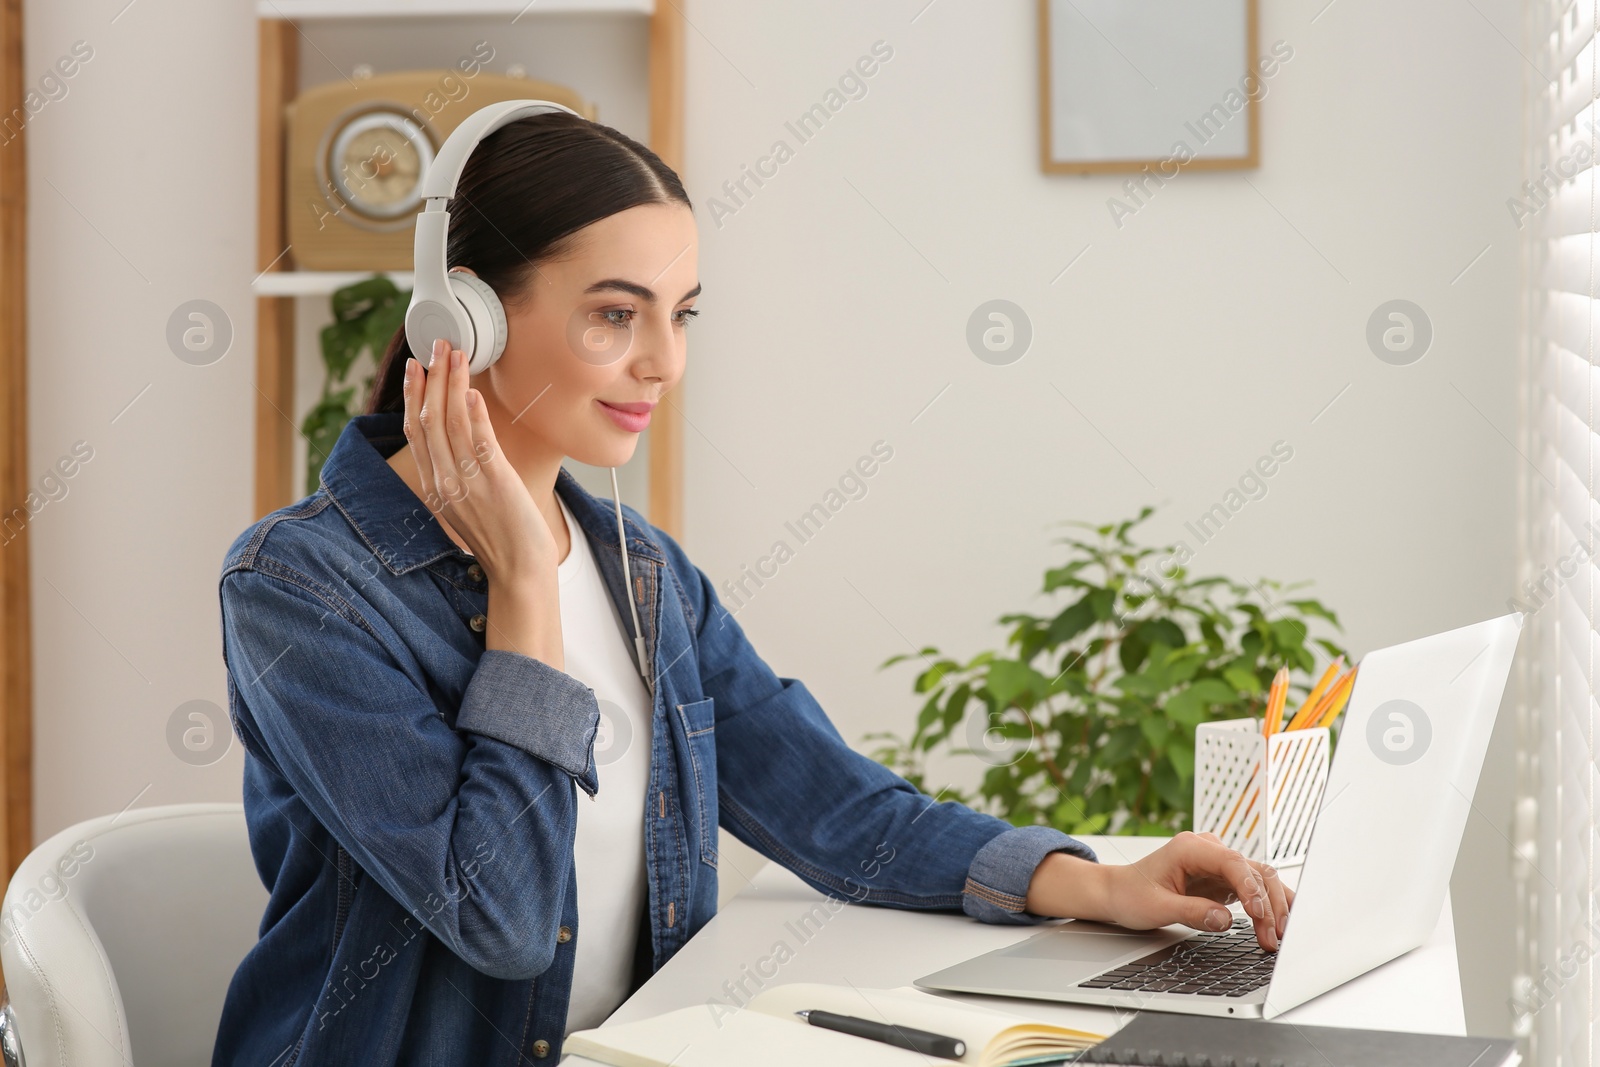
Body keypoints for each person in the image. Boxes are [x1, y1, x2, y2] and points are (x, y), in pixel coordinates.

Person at [211, 110, 1291, 1067]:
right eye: (614, 314)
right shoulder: (301, 586)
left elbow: (828, 800)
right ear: (466, 321)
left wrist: (1099, 882)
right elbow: (496, 912)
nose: (662, 363)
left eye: (681, 315)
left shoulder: (643, 574)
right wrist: (523, 597)